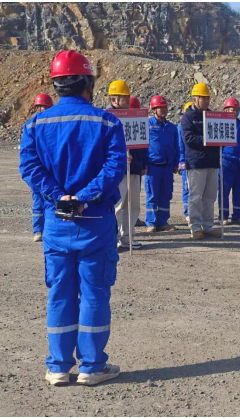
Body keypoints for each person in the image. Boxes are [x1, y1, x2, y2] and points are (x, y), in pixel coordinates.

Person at [20, 50, 125, 386]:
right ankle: (92, 368)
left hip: (57, 222)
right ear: (87, 82)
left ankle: (58, 367)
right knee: (94, 293)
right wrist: (84, 196)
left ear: (56, 84)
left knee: (60, 294)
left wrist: (59, 195)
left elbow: (30, 168)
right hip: (95, 222)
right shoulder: (107, 122)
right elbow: (114, 168)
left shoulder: (35, 124)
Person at [107, 80, 147, 249]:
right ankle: (114, 238)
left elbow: (142, 142)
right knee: (118, 205)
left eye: (128, 97)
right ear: (114, 99)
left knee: (133, 204)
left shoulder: (134, 116)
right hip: (118, 170)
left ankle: (128, 237)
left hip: (134, 168)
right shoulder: (107, 118)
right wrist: (121, 155)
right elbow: (105, 145)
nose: (127, 100)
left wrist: (143, 163)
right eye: (124, 98)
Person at [180, 83, 222, 239]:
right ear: (195, 99)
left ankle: (208, 226)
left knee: (210, 197)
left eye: (207, 98)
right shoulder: (188, 117)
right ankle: (196, 227)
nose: (206, 101)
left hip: (212, 162)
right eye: (203, 98)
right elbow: (188, 139)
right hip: (196, 163)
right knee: (195, 196)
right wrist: (207, 139)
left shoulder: (212, 116)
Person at [145, 95, 179, 232]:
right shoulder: (147, 125)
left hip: (167, 167)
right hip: (153, 166)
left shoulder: (171, 127)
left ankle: (163, 222)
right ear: (154, 109)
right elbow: (143, 146)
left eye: (165, 107)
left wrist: (175, 163)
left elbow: (176, 146)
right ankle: (151, 223)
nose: (164, 110)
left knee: (166, 195)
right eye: (161, 107)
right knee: (152, 195)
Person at [219, 98, 240, 225]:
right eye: (232, 109)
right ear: (226, 110)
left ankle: (238, 215)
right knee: (224, 191)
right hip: (226, 162)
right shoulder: (220, 124)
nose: (234, 112)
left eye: (237, 110)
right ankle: (223, 216)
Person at [29, 93, 54, 242]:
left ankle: (49, 231)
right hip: (38, 170)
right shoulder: (33, 125)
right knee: (38, 201)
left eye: (44, 107)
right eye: (40, 107)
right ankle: (38, 230)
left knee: (51, 201)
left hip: (50, 169)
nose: (42, 109)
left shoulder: (53, 124)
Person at [129, 96, 147, 227]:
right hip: (123, 169)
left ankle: (132, 221)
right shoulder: (118, 122)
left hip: (136, 167)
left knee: (134, 198)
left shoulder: (140, 125)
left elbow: (143, 148)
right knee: (121, 201)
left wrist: (143, 165)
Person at [178, 101, 193, 224]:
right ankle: (188, 212)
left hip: (195, 161)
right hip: (186, 162)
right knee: (187, 188)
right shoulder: (181, 127)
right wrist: (182, 160)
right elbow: (180, 145)